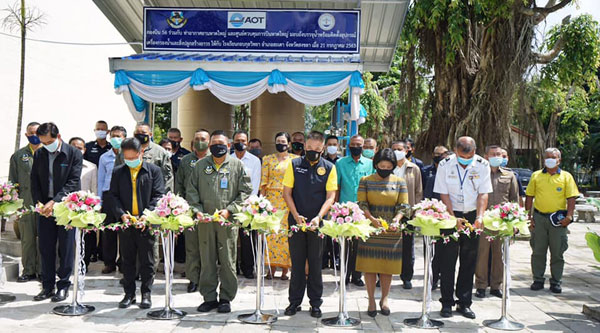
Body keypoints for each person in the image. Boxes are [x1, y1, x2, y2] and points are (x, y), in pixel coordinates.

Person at [186, 130, 252, 314]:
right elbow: (191, 191)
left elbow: (245, 192)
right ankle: (208, 297)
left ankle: (225, 298)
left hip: (227, 222)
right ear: (209, 146)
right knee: (206, 259)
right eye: (214, 144)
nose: (218, 147)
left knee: (228, 259)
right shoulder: (200, 166)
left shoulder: (237, 166)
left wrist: (230, 210)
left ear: (228, 146)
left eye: (221, 144)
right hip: (205, 221)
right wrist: (197, 211)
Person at [433, 136, 492, 319]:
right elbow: (443, 193)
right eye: (461, 155)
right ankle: (447, 303)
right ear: (456, 151)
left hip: (473, 214)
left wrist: (480, 216)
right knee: (447, 259)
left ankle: (464, 302)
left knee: (469, 259)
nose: (464, 159)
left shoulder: (483, 165)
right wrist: (452, 217)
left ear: (474, 151)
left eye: (468, 155)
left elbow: (483, 193)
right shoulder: (445, 165)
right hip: (450, 214)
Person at [105, 138, 165, 309]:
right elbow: (113, 196)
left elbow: (158, 195)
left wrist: (147, 215)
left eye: (133, 157)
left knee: (147, 261)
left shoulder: (154, 171)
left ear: (141, 153)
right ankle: (129, 294)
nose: (130, 161)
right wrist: (122, 215)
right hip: (126, 222)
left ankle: (146, 294)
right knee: (127, 260)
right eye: (127, 158)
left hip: (146, 222)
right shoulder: (118, 172)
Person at [283, 131, 337, 318]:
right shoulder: (294, 164)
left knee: (315, 263)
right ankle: (294, 302)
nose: (312, 151)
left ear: (322, 149)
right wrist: (295, 214)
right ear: (305, 147)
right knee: (297, 264)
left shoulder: (329, 167)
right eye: (309, 148)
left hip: (317, 223)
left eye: (316, 149)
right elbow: (287, 193)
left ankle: (315, 303)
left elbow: (331, 197)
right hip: (296, 221)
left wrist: (319, 217)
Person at [30, 122, 82, 302]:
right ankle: (47, 286)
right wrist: (39, 202)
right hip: (45, 209)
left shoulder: (73, 153)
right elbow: (34, 180)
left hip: (66, 208)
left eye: (49, 141)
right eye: (43, 142)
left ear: (58, 137)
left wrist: (55, 201)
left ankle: (64, 285)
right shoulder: (40, 154)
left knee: (66, 248)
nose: (46, 145)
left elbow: (73, 182)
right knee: (45, 247)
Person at [356, 148, 409, 317]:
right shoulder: (366, 180)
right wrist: (371, 219)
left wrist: (396, 219)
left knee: (387, 267)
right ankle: (371, 300)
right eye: (382, 165)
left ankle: (384, 299)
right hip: (370, 229)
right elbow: (361, 204)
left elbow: (404, 206)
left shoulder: (400, 182)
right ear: (376, 164)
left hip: (391, 230)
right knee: (369, 267)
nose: (384, 169)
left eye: (388, 166)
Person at [526, 147, 579, 294]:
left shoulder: (566, 176)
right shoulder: (536, 176)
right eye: (547, 157)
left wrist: (569, 216)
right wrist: (528, 217)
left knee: (557, 252)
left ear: (559, 160)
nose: (550, 159)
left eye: (553, 157)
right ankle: (538, 279)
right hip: (539, 218)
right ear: (543, 159)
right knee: (538, 251)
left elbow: (571, 198)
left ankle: (556, 281)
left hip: (558, 220)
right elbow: (529, 196)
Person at [475, 145, 520, 299]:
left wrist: (515, 222)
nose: (497, 157)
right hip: (483, 220)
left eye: (499, 154)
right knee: (481, 254)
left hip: (502, 221)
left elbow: (514, 199)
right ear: (486, 156)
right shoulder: (479, 173)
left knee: (499, 255)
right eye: (493, 154)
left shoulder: (509, 175)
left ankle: (496, 285)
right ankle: (480, 285)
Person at [335, 134, 375, 286]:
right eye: (353, 144)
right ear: (349, 146)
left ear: (363, 147)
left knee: (359, 245)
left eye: (359, 145)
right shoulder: (340, 163)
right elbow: (337, 187)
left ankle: (357, 276)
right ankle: (344, 275)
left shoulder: (369, 164)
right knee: (344, 245)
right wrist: (335, 207)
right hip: (344, 211)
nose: (356, 147)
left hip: (363, 210)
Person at [175, 129, 210, 293]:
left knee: (209, 248)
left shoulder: (214, 160)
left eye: (203, 138)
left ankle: (208, 278)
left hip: (210, 211)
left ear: (209, 142)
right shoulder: (186, 160)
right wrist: (180, 206)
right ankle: (193, 279)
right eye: (197, 138)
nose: (200, 141)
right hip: (190, 210)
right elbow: (179, 184)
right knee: (192, 247)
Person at [260, 132, 297, 280]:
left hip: (288, 201)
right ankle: (270, 268)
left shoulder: (296, 160)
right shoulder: (267, 159)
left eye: (283, 141)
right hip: (272, 201)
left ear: (288, 143)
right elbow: (263, 181)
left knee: (285, 235)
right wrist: (261, 203)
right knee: (271, 234)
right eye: (278, 141)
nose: (280, 143)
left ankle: (284, 270)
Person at [9, 121, 41, 282]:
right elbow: (12, 182)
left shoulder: (49, 153)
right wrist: (13, 205)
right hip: (25, 202)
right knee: (27, 238)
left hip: (44, 203)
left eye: (37, 132)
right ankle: (28, 270)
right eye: (31, 133)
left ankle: (43, 270)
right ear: (26, 135)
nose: (34, 135)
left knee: (44, 238)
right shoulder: (19, 156)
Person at [391, 140, 423, 290]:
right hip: (389, 212)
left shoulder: (414, 169)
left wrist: (416, 212)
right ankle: (385, 275)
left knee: (407, 247)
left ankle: (406, 277)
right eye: (394, 149)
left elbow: (418, 192)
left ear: (406, 151)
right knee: (388, 246)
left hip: (407, 213)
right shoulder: (387, 167)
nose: (397, 151)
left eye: (400, 149)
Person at [231, 130, 262, 279]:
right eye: (238, 140)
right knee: (230, 238)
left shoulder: (255, 161)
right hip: (229, 204)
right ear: (232, 142)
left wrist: (247, 205)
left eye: (243, 141)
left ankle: (248, 268)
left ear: (247, 143)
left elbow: (254, 185)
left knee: (247, 239)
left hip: (248, 206)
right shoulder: (227, 158)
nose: (240, 143)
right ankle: (232, 267)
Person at [98, 126, 127, 274]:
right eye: (113, 136)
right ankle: (109, 262)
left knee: (124, 229)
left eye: (119, 136)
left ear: (124, 138)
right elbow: (101, 180)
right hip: (109, 195)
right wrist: (100, 202)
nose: (116, 139)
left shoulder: (129, 156)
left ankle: (123, 261)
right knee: (108, 230)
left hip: (124, 195)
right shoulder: (104, 157)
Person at [115, 122, 174, 192]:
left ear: (150, 135)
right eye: (137, 133)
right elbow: (117, 172)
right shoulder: (124, 150)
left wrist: (164, 197)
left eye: (143, 133)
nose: (140, 135)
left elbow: (167, 177)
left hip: (152, 193)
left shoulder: (160, 152)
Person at [422, 145, 450, 290]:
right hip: (435, 221)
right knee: (434, 253)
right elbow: (427, 199)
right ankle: (432, 279)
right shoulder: (433, 179)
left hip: (451, 222)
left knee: (448, 255)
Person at [69, 137, 99, 267]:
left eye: (80, 148)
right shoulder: (63, 165)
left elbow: (94, 188)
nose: (77, 150)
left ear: (84, 150)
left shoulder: (91, 167)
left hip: (85, 208)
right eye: (74, 147)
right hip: (68, 207)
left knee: (86, 237)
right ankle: (68, 263)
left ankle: (84, 262)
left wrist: (94, 207)